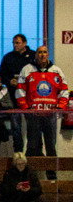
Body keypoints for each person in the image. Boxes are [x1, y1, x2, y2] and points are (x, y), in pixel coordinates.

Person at [16, 45, 68, 177]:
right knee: (32, 145)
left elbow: (64, 91)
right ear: (36, 54)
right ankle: (26, 176)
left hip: (50, 116)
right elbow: (20, 91)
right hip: (33, 115)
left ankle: (52, 177)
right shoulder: (27, 70)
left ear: (48, 54)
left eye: (45, 52)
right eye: (40, 52)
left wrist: (60, 107)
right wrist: (26, 109)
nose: (42, 55)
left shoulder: (57, 71)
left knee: (51, 146)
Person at [0, 34, 35, 154]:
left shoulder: (33, 56)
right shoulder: (8, 57)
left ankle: (33, 150)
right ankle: (18, 151)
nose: (15, 45)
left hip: (30, 97)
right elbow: (1, 75)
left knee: (33, 125)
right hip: (13, 97)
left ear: (24, 43)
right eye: (13, 43)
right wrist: (9, 81)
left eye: (17, 43)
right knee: (15, 126)